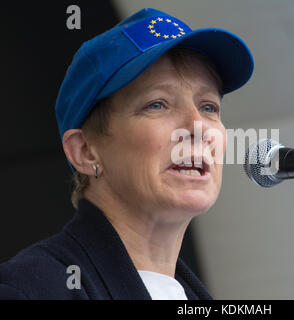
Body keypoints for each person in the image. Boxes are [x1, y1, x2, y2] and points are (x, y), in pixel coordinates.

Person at [0, 8, 253, 299]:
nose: (198, 127)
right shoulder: (32, 290)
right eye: (157, 104)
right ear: (85, 151)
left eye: (208, 107)